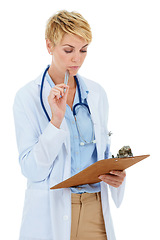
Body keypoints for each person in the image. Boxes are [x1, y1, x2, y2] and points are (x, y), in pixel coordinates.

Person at [13, 10, 126, 240]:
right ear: (49, 46)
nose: (77, 59)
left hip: (95, 210)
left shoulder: (96, 94)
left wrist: (116, 175)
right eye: (69, 50)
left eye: (83, 50)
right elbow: (31, 169)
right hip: (51, 213)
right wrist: (56, 121)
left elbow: (101, 154)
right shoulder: (27, 98)